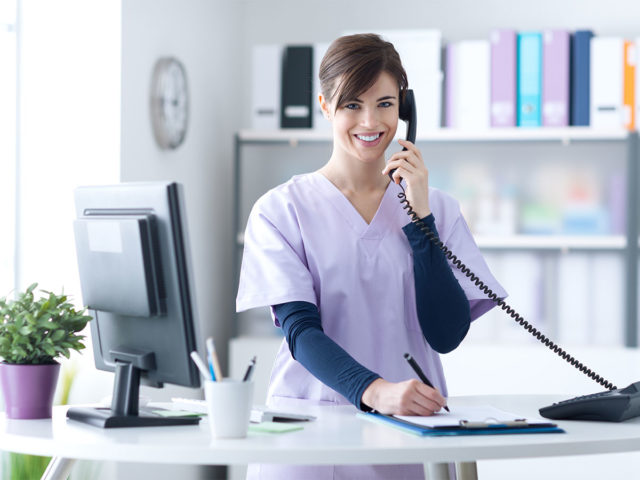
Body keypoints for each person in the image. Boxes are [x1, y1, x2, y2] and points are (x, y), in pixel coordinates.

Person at [236, 33, 507, 480]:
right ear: (325, 106)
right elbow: (300, 331)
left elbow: (445, 334)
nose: (370, 121)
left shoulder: (436, 208)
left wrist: (420, 221)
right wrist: (375, 391)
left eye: (384, 103)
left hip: (407, 430)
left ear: (404, 107)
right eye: (351, 105)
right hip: (309, 435)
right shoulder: (280, 210)